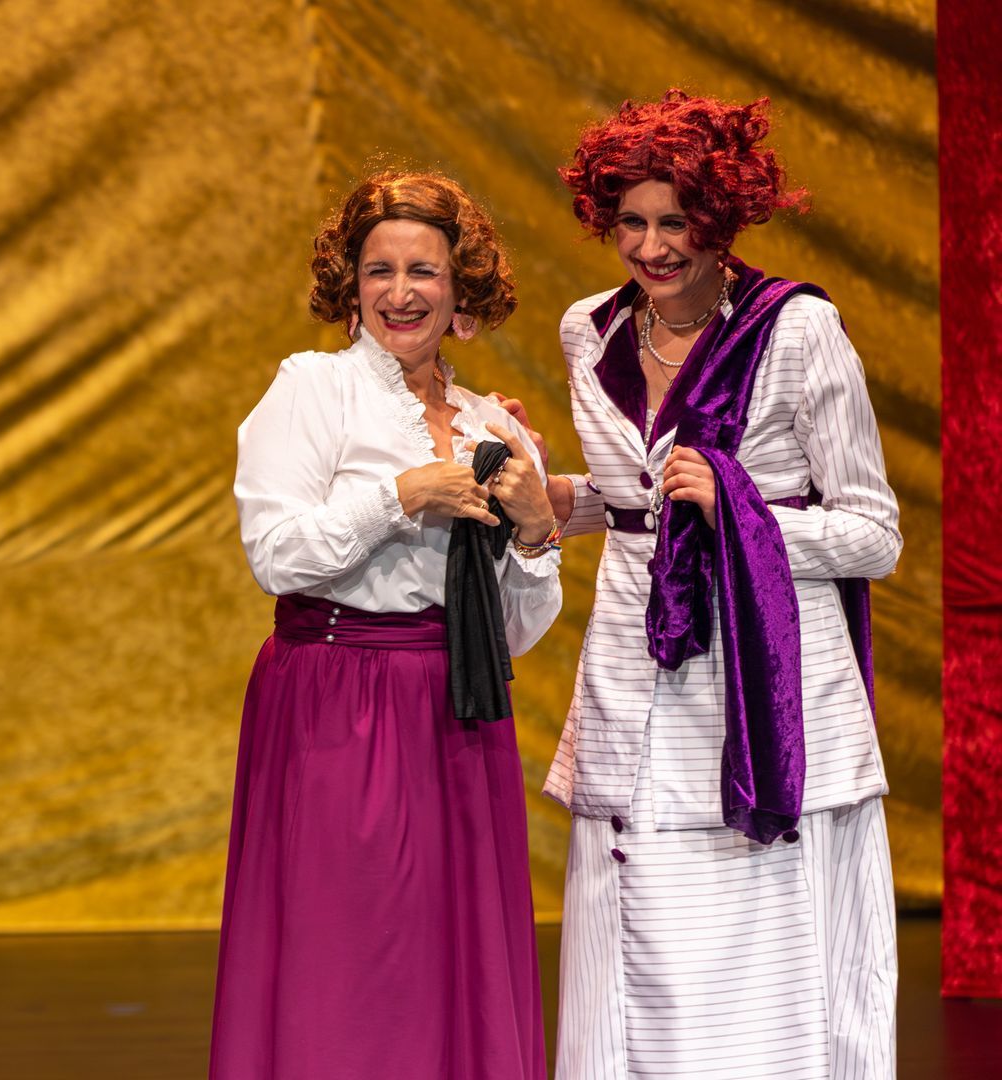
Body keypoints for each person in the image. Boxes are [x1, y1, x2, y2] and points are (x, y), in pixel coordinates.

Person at [521, 90, 901, 1078]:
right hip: (632, 672)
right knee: (635, 928)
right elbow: (636, 501)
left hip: (765, 685)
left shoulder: (800, 330)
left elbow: (874, 535)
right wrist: (561, 500)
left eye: (676, 222)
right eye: (630, 222)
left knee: (763, 946)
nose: (651, 247)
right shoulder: (587, 331)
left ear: (722, 219)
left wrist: (743, 514)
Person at [211, 171, 560, 1080]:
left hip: (459, 708)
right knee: (350, 954)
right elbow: (276, 556)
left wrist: (534, 531)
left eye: (423, 271)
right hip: (339, 698)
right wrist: (399, 497)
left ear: (460, 286)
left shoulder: (491, 423)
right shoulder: (315, 389)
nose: (400, 293)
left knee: (454, 957)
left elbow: (516, 630)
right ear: (350, 283)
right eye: (379, 271)